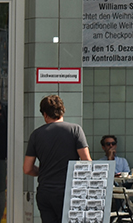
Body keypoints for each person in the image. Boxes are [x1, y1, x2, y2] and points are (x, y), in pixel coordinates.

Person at [24, 94, 90, 223]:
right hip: (68, 190)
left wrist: (43, 171)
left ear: (45, 114)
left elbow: (27, 168)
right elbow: (87, 161)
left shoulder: (36, 135)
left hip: (45, 192)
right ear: (62, 111)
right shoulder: (75, 130)